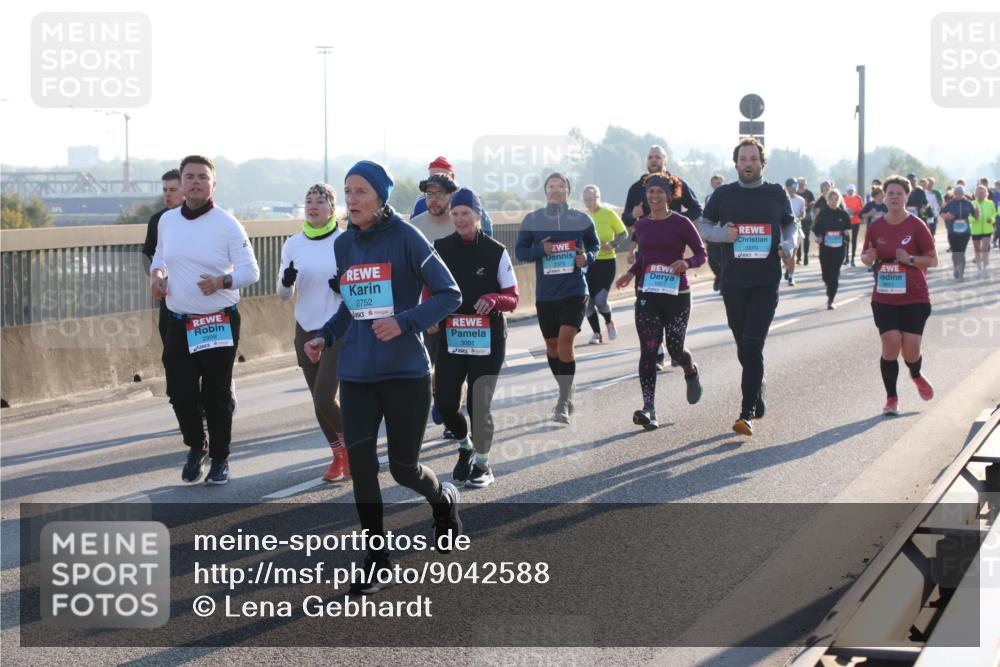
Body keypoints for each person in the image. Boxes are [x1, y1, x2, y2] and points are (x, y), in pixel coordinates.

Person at [304, 160, 463, 594]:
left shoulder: (407, 238)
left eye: (360, 192)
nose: (351, 200)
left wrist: (405, 322)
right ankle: (377, 560)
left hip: (405, 372)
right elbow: (350, 307)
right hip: (357, 373)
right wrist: (325, 336)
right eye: (347, 191)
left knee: (403, 468)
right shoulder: (344, 246)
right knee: (363, 465)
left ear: (380, 197)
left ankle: (442, 499)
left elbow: (450, 294)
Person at [150, 155, 260, 484]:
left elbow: (250, 271)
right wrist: (157, 275)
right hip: (179, 321)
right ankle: (197, 446)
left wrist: (221, 282)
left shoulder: (226, 224)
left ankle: (220, 458)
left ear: (213, 184)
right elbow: (160, 256)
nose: (195, 182)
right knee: (179, 392)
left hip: (216, 321)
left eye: (202, 177)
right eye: (190, 176)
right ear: (181, 183)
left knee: (216, 393)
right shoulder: (168, 221)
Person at [696, 138, 798, 436]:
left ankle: (746, 412)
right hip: (733, 281)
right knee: (743, 346)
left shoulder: (776, 193)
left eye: (754, 159)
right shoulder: (723, 194)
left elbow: (791, 225)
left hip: (766, 280)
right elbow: (703, 226)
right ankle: (757, 388)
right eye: (743, 159)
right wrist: (721, 234)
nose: (748, 164)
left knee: (753, 345)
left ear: (762, 163)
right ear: (736, 163)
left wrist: (789, 244)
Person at [432, 188, 519, 488]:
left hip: (488, 338)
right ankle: (466, 444)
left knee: (478, 404)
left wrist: (494, 298)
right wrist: (430, 315)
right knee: (445, 405)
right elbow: (429, 289)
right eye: (454, 214)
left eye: (465, 213)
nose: (459, 219)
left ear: (478, 216)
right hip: (453, 336)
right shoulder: (441, 247)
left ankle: (482, 464)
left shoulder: (496, 251)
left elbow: (513, 297)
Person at [615, 174, 706, 430]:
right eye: (651, 192)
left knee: (675, 349)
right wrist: (629, 274)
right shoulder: (642, 225)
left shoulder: (681, 223)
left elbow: (701, 254)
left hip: (677, 296)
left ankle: (690, 370)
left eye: (660, 192)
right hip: (648, 294)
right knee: (648, 350)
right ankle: (649, 408)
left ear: (669, 195)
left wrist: (685, 263)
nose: (654, 197)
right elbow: (645, 258)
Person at [515, 172, 599, 424]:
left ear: (567, 191)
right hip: (546, 294)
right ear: (545, 191)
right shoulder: (533, 219)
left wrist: (588, 258)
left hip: (574, 290)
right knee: (551, 346)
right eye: (551, 186)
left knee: (564, 343)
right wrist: (542, 249)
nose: (555, 190)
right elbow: (520, 252)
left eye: (560, 186)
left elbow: (594, 245)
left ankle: (563, 401)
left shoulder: (581, 218)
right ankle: (566, 388)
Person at [277, 183, 347, 482]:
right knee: (317, 398)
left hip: (336, 328)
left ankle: (356, 448)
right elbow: (282, 294)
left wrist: (343, 288)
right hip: (305, 328)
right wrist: (286, 280)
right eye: (308, 201)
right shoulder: (293, 244)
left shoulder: (346, 241)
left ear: (333, 208)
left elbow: (361, 291)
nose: (313, 205)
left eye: (321, 201)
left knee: (324, 396)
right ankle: (338, 454)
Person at [859, 175, 937, 416]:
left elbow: (932, 260)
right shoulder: (875, 227)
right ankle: (891, 398)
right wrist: (868, 258)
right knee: (891, 344)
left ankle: (915, 373)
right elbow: (865, 257)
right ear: (884, 197)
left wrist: (911, 259)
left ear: (906, 196)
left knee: (911, 351)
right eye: (890, 193)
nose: (894, 197)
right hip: (884, 296)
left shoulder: (917, 225)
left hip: (915, 295)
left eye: (899, 193)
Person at [409, 172, 459, 432]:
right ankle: (441, 401)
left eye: (439, 194)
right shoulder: (415, 226)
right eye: (429, 195)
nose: (433, 200)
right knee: (429, 364)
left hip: (460, 304)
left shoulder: (461, 221)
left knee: (454, 363)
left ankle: (452, 413)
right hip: (426, 305)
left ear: (451, 195)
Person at [142, 169, 184, 345]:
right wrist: (155, 279)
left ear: (186, 189)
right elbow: (148, 254)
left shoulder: (202, 219)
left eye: (173, 190)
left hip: (198, 294)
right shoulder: (157, 220)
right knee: (171, 347)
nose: (167, 195)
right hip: (168, 295)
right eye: (165, 190)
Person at [581, 185, 627, 344]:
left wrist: (613, 244)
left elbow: (623, 233)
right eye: (586, 200)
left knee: (600, 300)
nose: (588, 203)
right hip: (588, 262)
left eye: (591, 199)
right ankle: (596, 334)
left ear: (597, 198)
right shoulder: (583, 217)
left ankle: (608, 321)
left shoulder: (608, 214)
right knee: (587, 301)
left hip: (607, 262)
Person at [410, 156, 493, 236]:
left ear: (452, 177)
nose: (435, 179)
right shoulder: (420, 204)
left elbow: (486, 232)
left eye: (440, 193)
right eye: (432, 176)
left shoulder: (468, 200)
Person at [812, 189, 853, 309]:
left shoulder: (843, 214)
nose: (834, 202)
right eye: (831, 199)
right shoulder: (823, 214)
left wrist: (846, 233)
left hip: (839, 248)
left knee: (834, 274)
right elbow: (814, 230)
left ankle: (831, 299)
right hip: (825, 247)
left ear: (839, 200)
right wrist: (817, 238)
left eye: (836, 199)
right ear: (828, 200)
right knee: (826, 273)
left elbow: (849, 229)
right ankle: (828, 283)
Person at [940, 184, 975, 281]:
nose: (958, 195)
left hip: (965, 232)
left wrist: (975, 214)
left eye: (960, 193)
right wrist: (946, 217)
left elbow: (975, 215)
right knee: (955, 252)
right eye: (957, 193)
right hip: (953, 231)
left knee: (961, 252)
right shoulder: (950, 203)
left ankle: (961, 274)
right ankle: (956, 267)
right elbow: (941, 212)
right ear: (954, 194)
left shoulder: (968, 203)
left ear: (963, 194)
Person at [969, 184, 997, 276]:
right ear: (975, 194)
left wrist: (991, 220)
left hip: (987, 229)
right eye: (978, 192)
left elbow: (994, 214)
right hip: (975, 230)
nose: (980, 194)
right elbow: (968, 217)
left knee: (984, 248)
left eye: (982, 192)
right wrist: (974, 219)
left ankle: (985, 267)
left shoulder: (990, 203)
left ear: (986, 193)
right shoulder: (972, 203)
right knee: (977, 249)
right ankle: (979, 269)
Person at [860, 186, 888, 272]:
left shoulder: (885, 206)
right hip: (872, 231)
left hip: (884, 231)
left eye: (883, 193)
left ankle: (880, 263)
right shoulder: (870, 205)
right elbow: (860, 215)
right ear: (875, 195)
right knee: (871, 247)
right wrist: (869, 214)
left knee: (882, 247)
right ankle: (870, 264)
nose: (883, 195)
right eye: (881, 194)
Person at [706, 174, 726, 290]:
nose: (717, 185)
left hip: (724, 233)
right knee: (712, 260)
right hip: (712, 234)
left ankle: (723, 283)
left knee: (724, 260)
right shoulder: (709, 198)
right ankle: (719, 276)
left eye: (719, 183)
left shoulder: (727, 196)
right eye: (714, 183)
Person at [784, 178, 805, 286]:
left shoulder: (800, 200)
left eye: (795, 186)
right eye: (792, 186)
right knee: (783, 254)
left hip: (795, 228)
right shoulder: (782, 198)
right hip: (783, 228)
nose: (794, 188)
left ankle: (791, 276)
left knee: (792, 254)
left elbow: (803, 214)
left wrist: (800, 217)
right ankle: (787, 267)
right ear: (786, 187)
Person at [842, 185, 864, 266]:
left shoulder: (857, 198)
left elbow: (861, 210)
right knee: (846, 240)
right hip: (846, 223)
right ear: (846, 191)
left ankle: (853, 259)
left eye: (852, 191)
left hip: (855, 222)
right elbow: (840, 208)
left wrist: (854, 211)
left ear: (854, 191)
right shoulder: (843, 198)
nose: (850, 192)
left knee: (854, 240)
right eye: (849, 191)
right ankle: (846, 258)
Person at [796, 177, 816, 266]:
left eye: (803, 183)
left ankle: (806, 256)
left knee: (806, 238)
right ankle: (799, 256)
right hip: (797, 218)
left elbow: (813, 202)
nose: (801, 185)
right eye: (799, 183)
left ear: (805, 184)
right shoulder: (795, 193)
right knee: (798, 238)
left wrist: (810, 205)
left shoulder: (809, 193)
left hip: (807, 218)